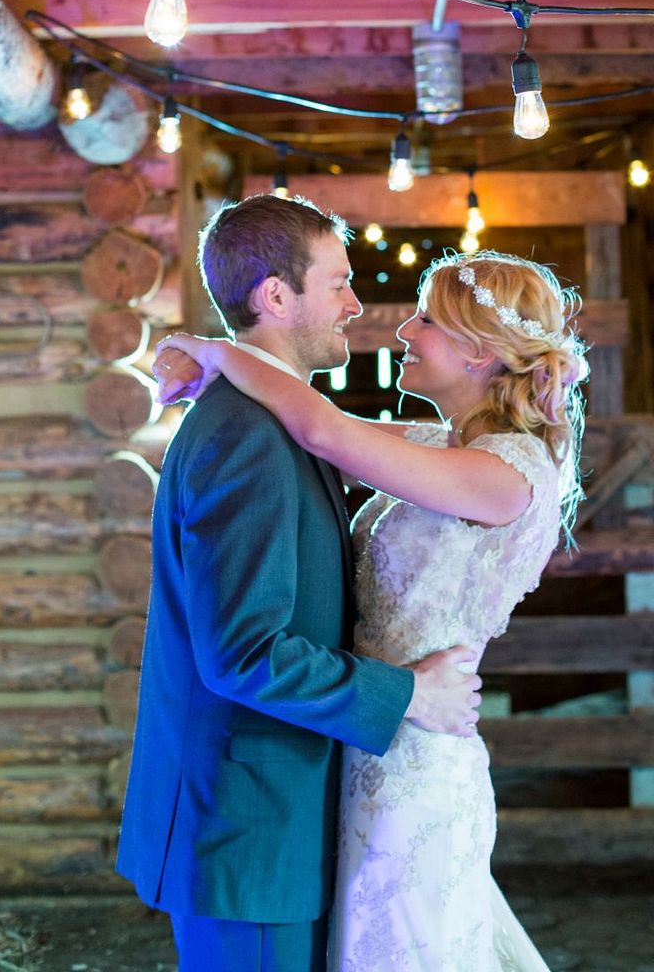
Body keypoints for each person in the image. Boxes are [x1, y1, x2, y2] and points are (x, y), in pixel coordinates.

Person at [154, 245, 587, 971]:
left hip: (414, 757)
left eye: (424, 320)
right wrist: (220, 380)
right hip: (370, 735)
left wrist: (214, 350)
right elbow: (313, 432)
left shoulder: (504, 476)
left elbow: (323, 430)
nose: (402, 332)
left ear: (481, 353)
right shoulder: (445, 446)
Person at [116, 194, 482, 972]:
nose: (356, 304)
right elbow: (244, 654)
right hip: (248, 828)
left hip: (275, 813)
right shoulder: (246, 435)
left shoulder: (277, 414)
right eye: (339, 283)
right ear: (276, 297)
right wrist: (409, 694)